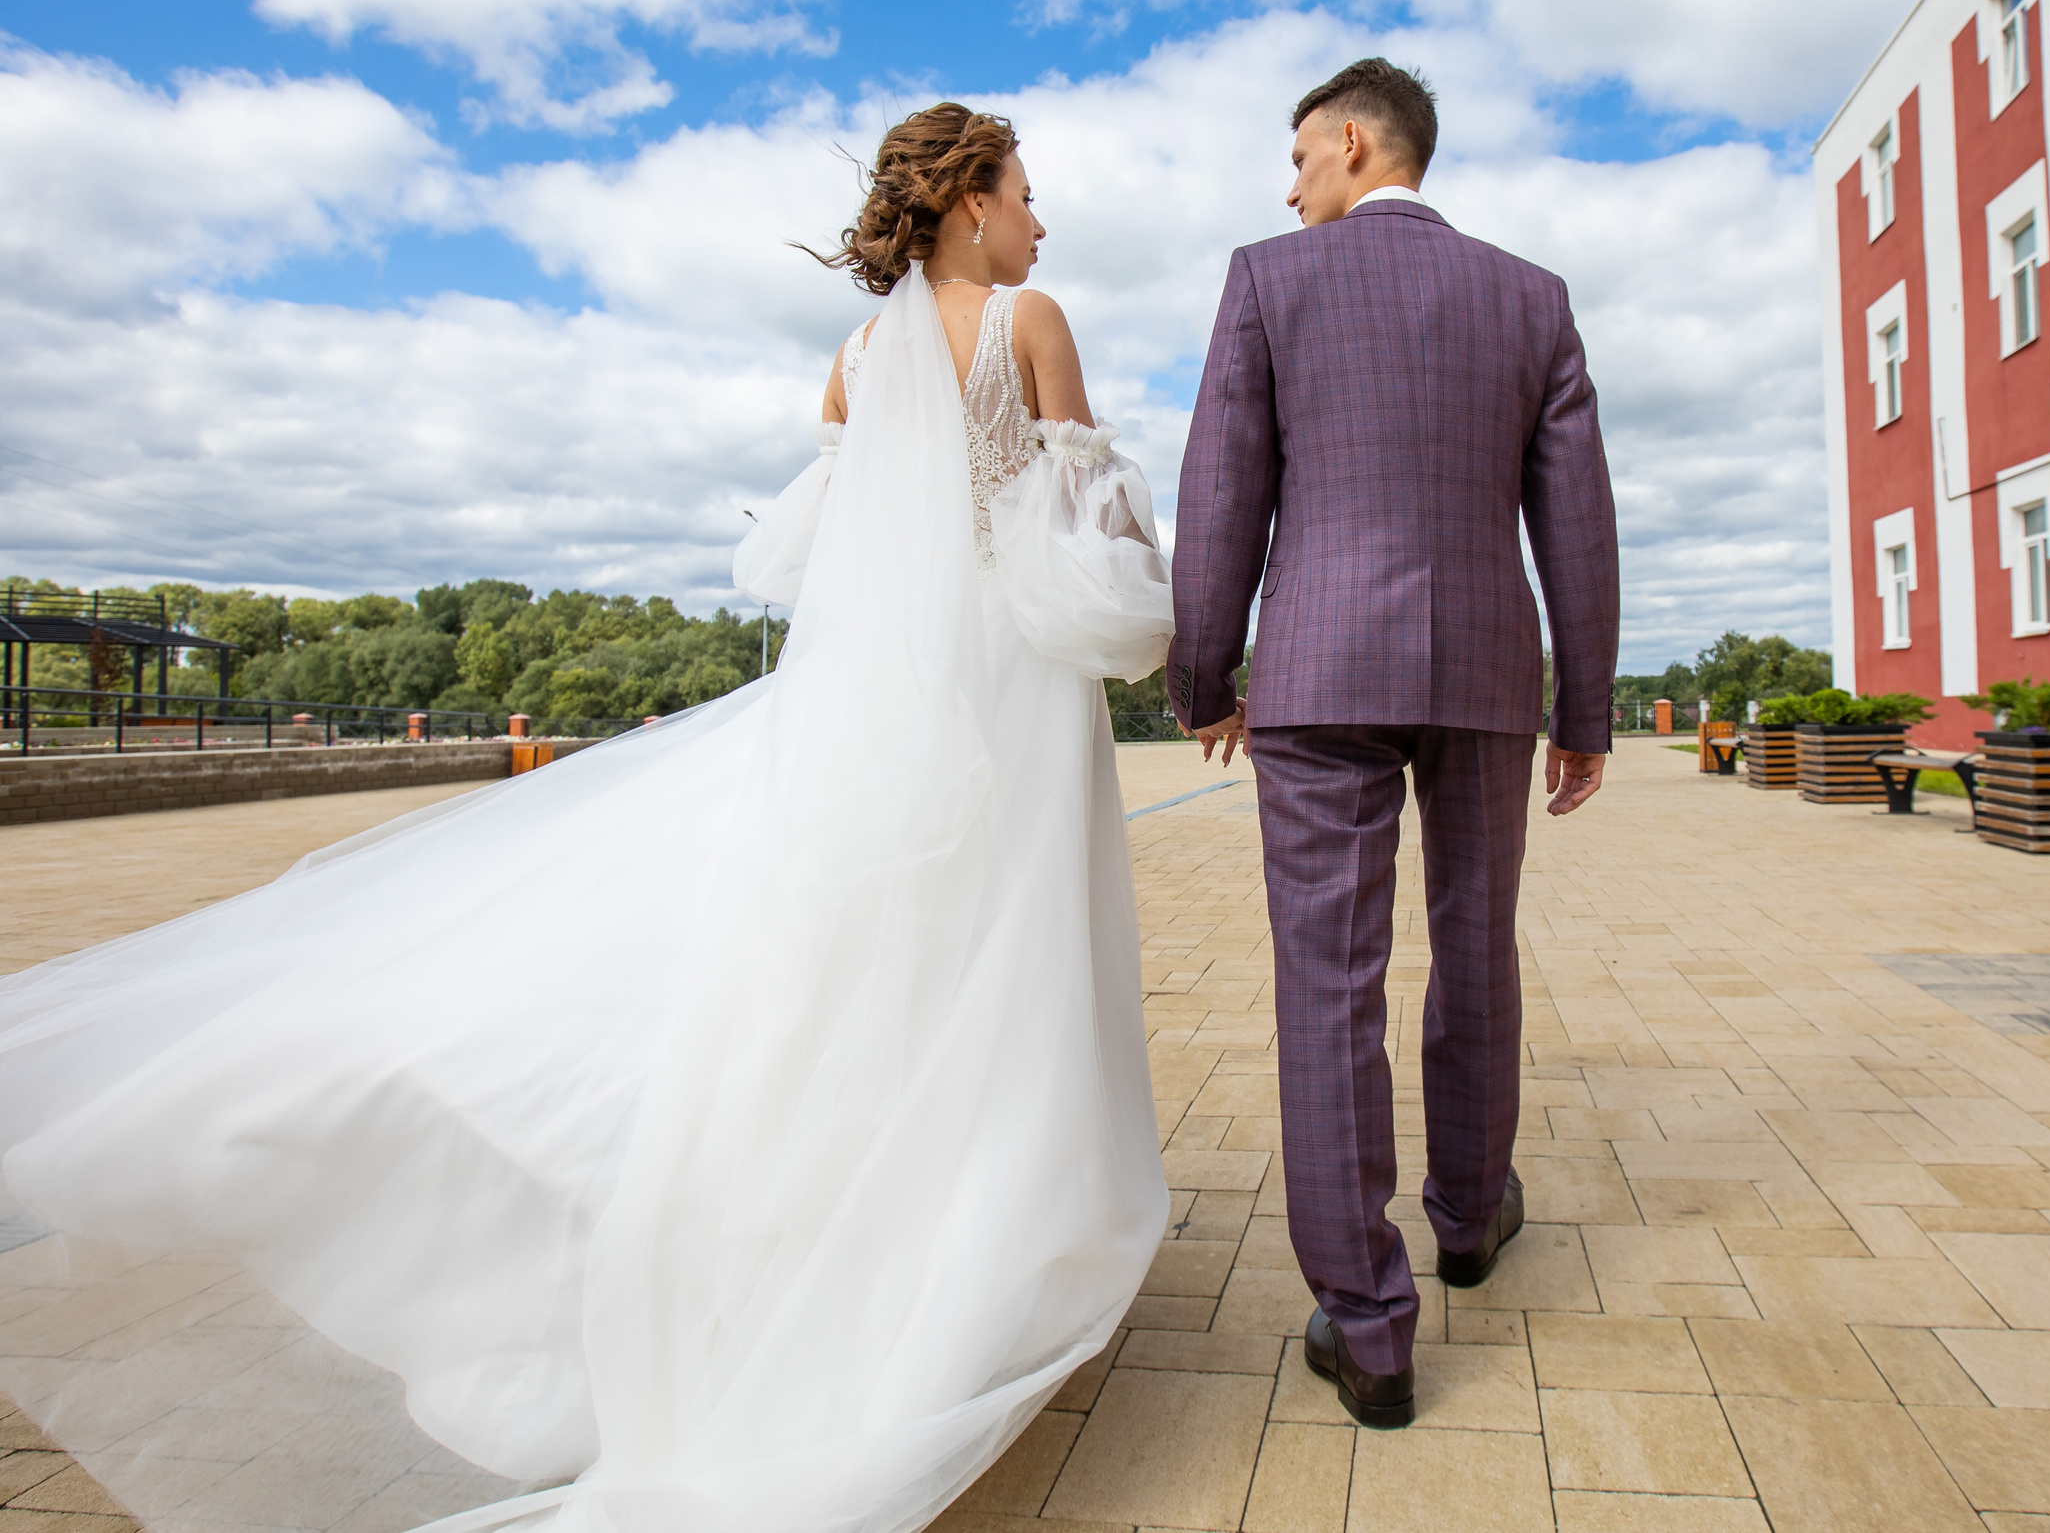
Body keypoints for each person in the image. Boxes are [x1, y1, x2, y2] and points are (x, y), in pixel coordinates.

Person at [0, 105, 1174, 1533]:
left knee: (868, 977)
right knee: (1010, 964)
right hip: (1010, 698)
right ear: (971, 206)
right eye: (1027, 195)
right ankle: (983, 1255)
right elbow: (1091, 558)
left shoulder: (859, 358)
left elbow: (824, 551)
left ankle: (838, 1244)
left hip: (876, 708)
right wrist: (1171, 627)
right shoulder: (1028, 318)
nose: (1041, 224)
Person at [1168, 57, 1620, 1429]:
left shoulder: (1266, 282)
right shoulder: (1531, 297)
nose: (1288, 183)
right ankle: (1471, 1217)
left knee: (1329, 981)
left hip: (1315, 673)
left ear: (1354, 144)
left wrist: (1204, 678)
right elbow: (1580, 526)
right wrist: (1583, 711)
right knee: (1476, 945)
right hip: (1486, 672)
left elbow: (1220, 499)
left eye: (1299, 156)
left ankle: (1368, 1325)